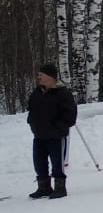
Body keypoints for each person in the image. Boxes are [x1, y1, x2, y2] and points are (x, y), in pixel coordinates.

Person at [27, 62, 78, 199]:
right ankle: (44, 187)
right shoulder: (37, 92)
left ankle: (60, 187)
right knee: (39, 162)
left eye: (41, 75)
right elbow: (31, 109)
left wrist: (58, 127)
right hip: (39, 135)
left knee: (57, 163)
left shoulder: (63, 93)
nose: (39, 78)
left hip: (56, 135)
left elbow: (70, 115)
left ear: (51, 77)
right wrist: (31, 122)